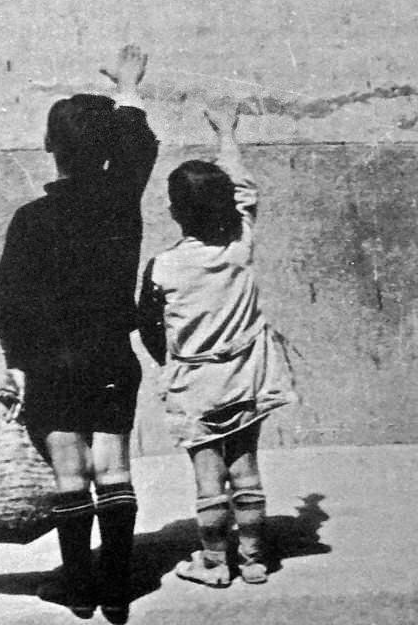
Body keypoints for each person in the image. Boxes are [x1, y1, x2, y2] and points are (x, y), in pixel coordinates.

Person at [0, 45, 158, 622]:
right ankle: (118, 589)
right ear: (108, 153)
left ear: (49, 147)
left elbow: (9, 301)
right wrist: (129, 88)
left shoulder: (31, 220)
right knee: (113, 468)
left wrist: (17, 363)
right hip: (112, 357)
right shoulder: (121, 206)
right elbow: (140, 148)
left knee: (70, 474)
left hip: (52, 363)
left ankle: (80, 587)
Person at [138, 107, 296, 588]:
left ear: (172, 211)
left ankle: (213, 562)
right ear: (228, 207)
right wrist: (228, 136)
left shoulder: (162, 268)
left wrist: (172, 360)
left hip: (195, 381)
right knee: (245, 465)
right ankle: (252, 559)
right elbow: (245, 192)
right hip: (249, 373)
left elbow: (148, 328)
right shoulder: (239, 247)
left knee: (209, 475)